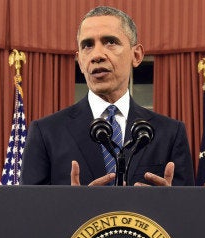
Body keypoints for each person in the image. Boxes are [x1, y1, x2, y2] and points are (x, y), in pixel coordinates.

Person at [20, 6, 194, 186]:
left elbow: (188, 211)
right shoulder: (45, 132)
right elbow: (29, 211)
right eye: (87, 45)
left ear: (136, 55)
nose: (96, 55)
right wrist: (71, 205)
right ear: (80, 61)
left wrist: (171, 202)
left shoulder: (170, 133)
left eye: (110, 42)